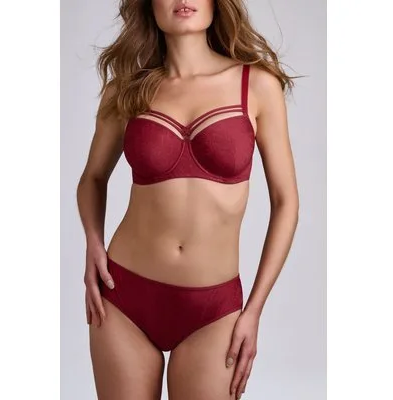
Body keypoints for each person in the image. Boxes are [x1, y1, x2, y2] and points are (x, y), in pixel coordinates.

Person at [76, 0, 299, 399]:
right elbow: (93, 177)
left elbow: (286, 202)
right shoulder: (126, 89)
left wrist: (254, 309)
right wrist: (93, 244)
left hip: (213, 311)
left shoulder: (256, 85)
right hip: (124, 295)